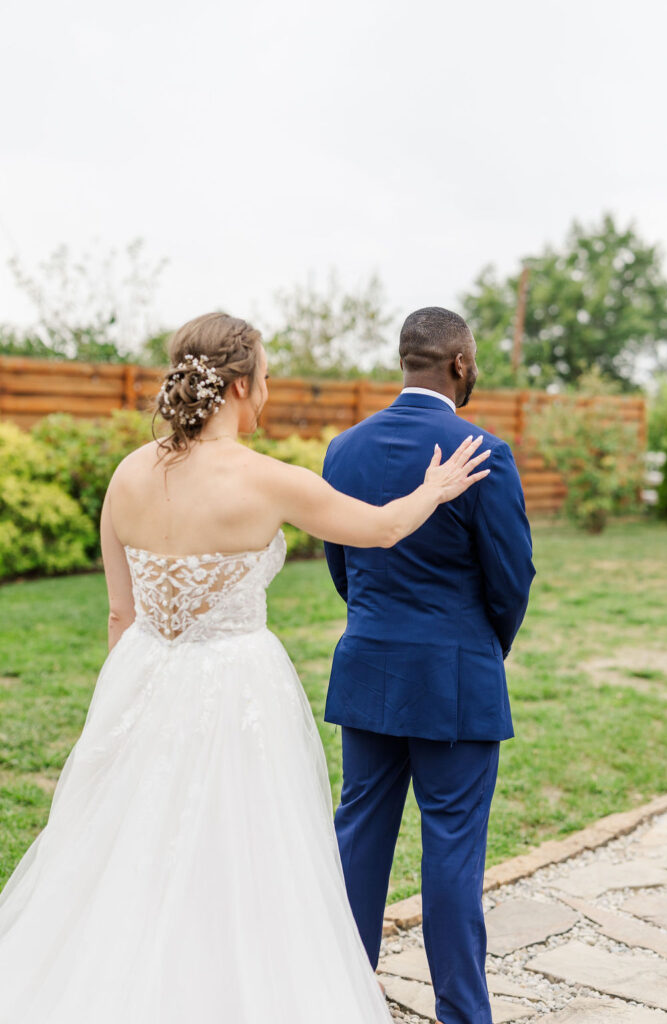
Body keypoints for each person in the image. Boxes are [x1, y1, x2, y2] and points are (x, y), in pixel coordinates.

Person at [0, 312, 491, 1024]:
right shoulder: (268, 481)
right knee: (242, 849)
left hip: (142, 680)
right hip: (235, 691)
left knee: (131, 845)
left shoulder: (129, 473)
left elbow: (120, 614)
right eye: (263, 377)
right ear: (236, 386)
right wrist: (436, 488)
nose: (267, 390)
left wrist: (125, 708)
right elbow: (382, 529)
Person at [322, 307, 535, 1024]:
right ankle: (461, 1015)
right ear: (461, 365)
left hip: (367, 667)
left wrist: (379, 623)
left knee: (358, 838)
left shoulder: (343, 450)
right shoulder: (481, 450)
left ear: (404, 361)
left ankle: (343, 998)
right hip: (455, 675)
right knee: (450, 850)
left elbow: (341, 566)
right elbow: (510, 575)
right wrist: (482, 645)